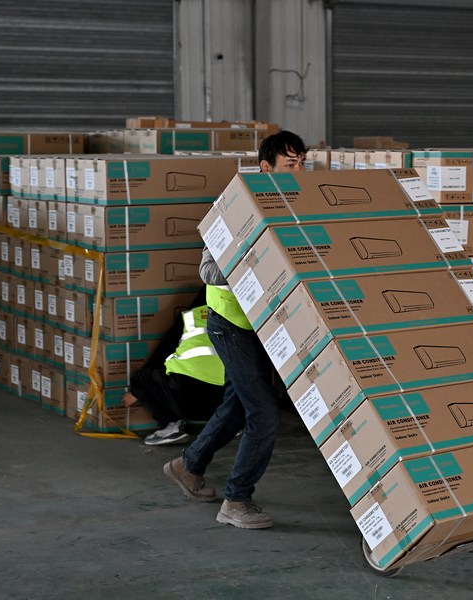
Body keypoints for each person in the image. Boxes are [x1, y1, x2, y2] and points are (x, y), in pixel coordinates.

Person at [163, 130, 308, 530]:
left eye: (302, 163)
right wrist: (253, 261)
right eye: (291, 164)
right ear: (266, 168)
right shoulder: (234, 208)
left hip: (265, 326)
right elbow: (208, 270)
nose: (299, 171)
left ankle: (188, 466)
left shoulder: (296, 203)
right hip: (231, 324)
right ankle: (237, 500)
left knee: (238, 405)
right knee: (263, 414)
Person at [123, 288, 226, 446]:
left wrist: (136, 392)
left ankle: (170, 426)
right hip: (227, 402)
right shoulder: (236, 317)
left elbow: (161, 354)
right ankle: (231, 424)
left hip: (189, 402)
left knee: (141, 378)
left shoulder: (191, 318)